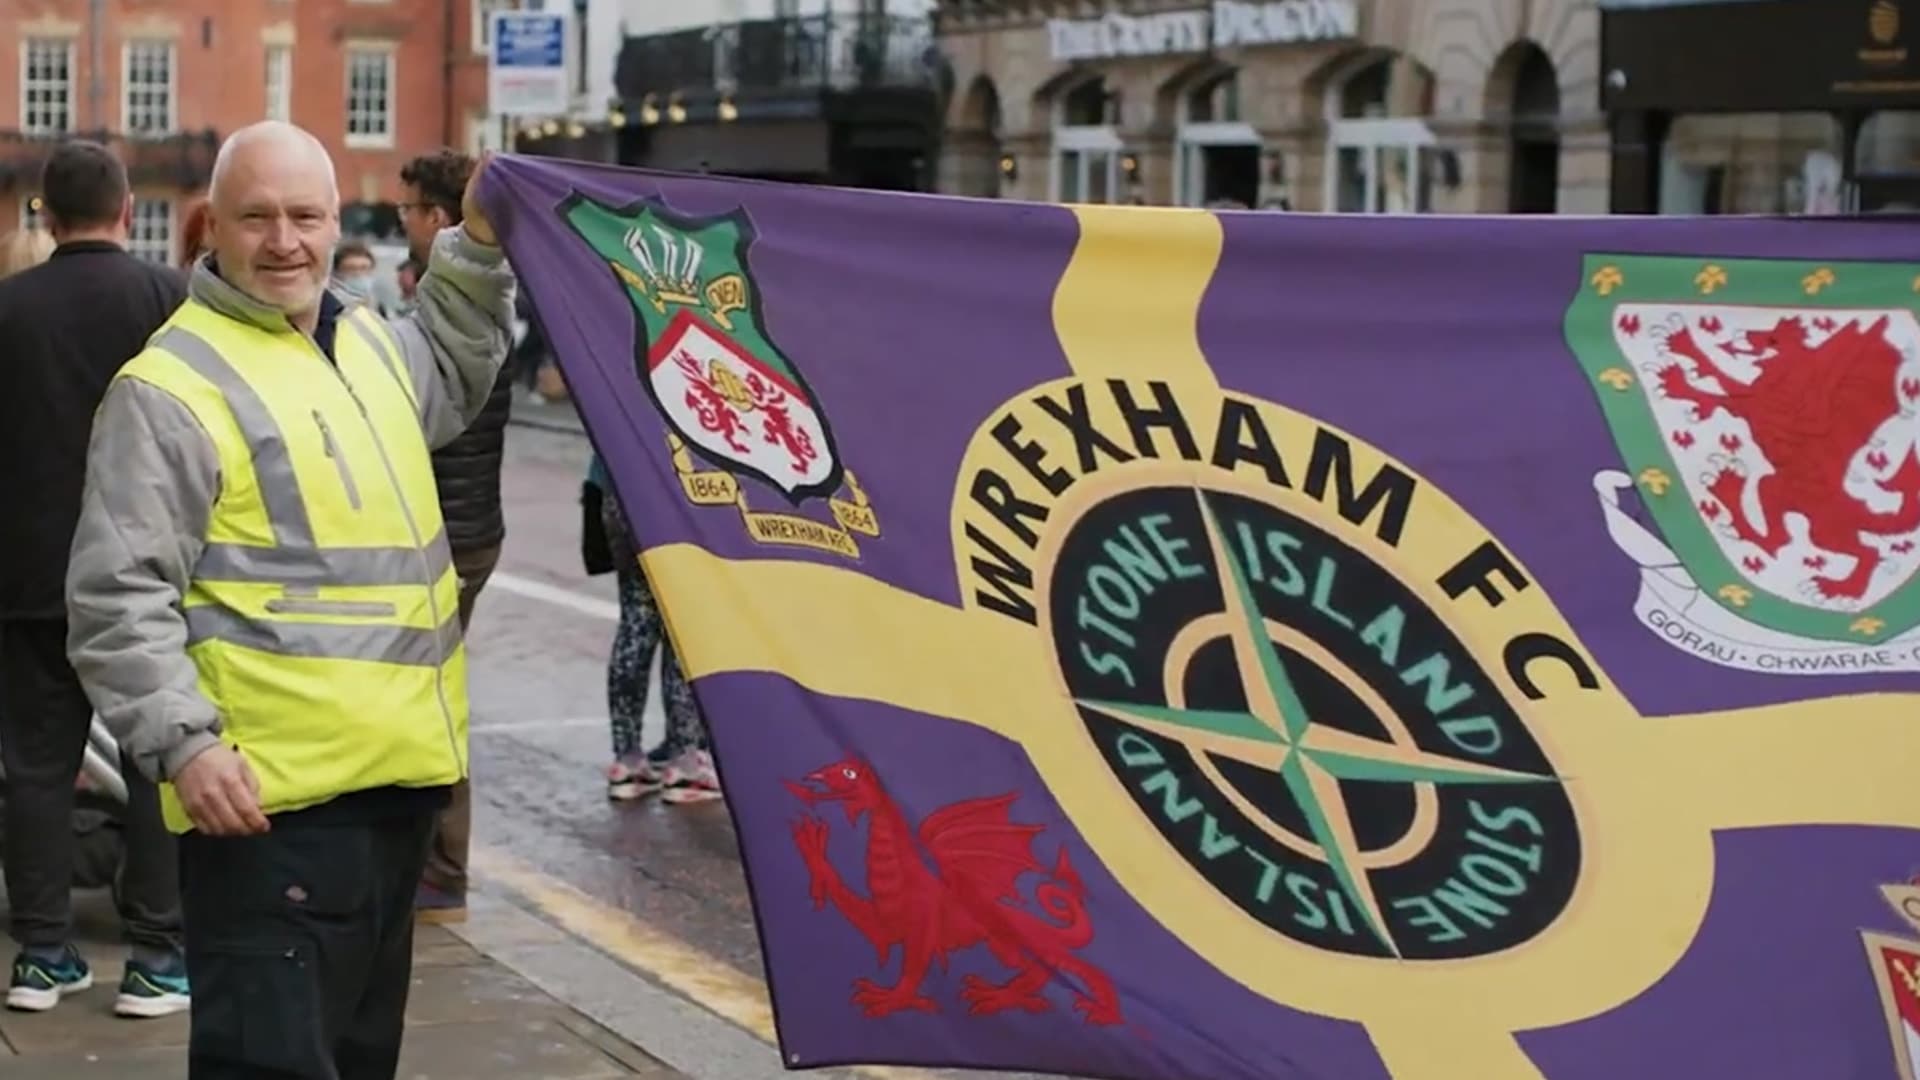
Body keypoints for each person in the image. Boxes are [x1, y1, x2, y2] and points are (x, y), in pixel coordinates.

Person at [64, 120, 514, 1078]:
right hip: (268, 813)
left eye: (306, 217)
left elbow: (454, 360)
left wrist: (476, 242)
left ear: (335, 220)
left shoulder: (366, 344)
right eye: (256, 218)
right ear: (212, 228)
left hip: (396, 795)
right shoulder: (170, 387)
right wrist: (185, 746)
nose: (284, 242)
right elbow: (116, 595)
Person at [0, 139, 190, 1018]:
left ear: (45, 213)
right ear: (127, 210)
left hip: (30, 570)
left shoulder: (8, 309)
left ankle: (42, 954)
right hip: (148, 571)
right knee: (157, 759)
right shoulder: (170, 301)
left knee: (36, 766)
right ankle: (156, 955)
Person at [396, 148, 515, 924]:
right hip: (470, 528)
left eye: (407, 209)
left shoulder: (453, 316)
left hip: (451, 531)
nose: (401, 221)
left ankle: (442, 866)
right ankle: (432, 859)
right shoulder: (453, 302)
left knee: (433, 694)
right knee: (431, 687)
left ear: (439, 219)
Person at [588, 454, 721, 804]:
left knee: (636, 619)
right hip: (678, 494)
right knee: (683, 624)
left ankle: (627, 758)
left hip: (622, 491)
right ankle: (685, 762)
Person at [331, 240, 382, 314]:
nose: (358, 274)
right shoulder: (331, 308)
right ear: (337, 273)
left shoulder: (379, 307)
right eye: (351, 269)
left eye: (364, 268)